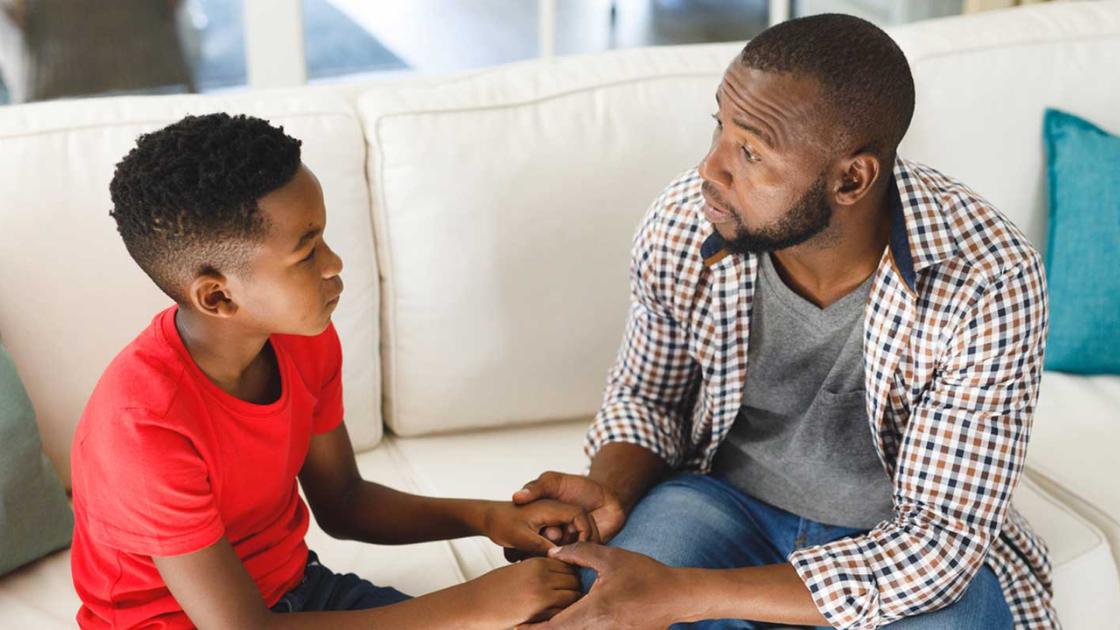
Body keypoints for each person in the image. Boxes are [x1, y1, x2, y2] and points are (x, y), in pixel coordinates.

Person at [511, 14, 1056, 629]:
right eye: (720, 127)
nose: (709, 170)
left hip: (890, 537)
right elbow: (649, 399)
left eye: (750, 152)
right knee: (607, 601)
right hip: (724, 504)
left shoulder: (987, 278)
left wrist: (687, 594)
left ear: (851, 178)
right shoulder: (687, 223)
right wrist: (611, 492)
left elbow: (937, 542)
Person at [69, 113, 593, 629]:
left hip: (304, 594)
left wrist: (489, 518)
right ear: (219, 295)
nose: (334, 262)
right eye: (306, 251)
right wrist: (474, 605)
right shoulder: (143, 428)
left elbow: (344, 503)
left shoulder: (303, 341)